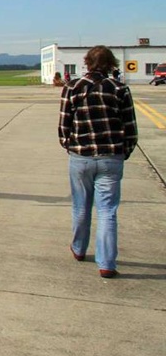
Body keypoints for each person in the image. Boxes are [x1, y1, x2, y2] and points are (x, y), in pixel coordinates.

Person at [58, 46, 138, 278]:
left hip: (81, 157)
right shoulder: (120, 89)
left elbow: (64, 125)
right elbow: (130, 127)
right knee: (107, 211)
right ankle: (106, 263)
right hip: (111, 157)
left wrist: (71, 146)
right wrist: (123, 152)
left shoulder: (72, 87)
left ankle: (79, 248)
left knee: (81, 206)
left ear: (87, 62)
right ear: (112, 64)